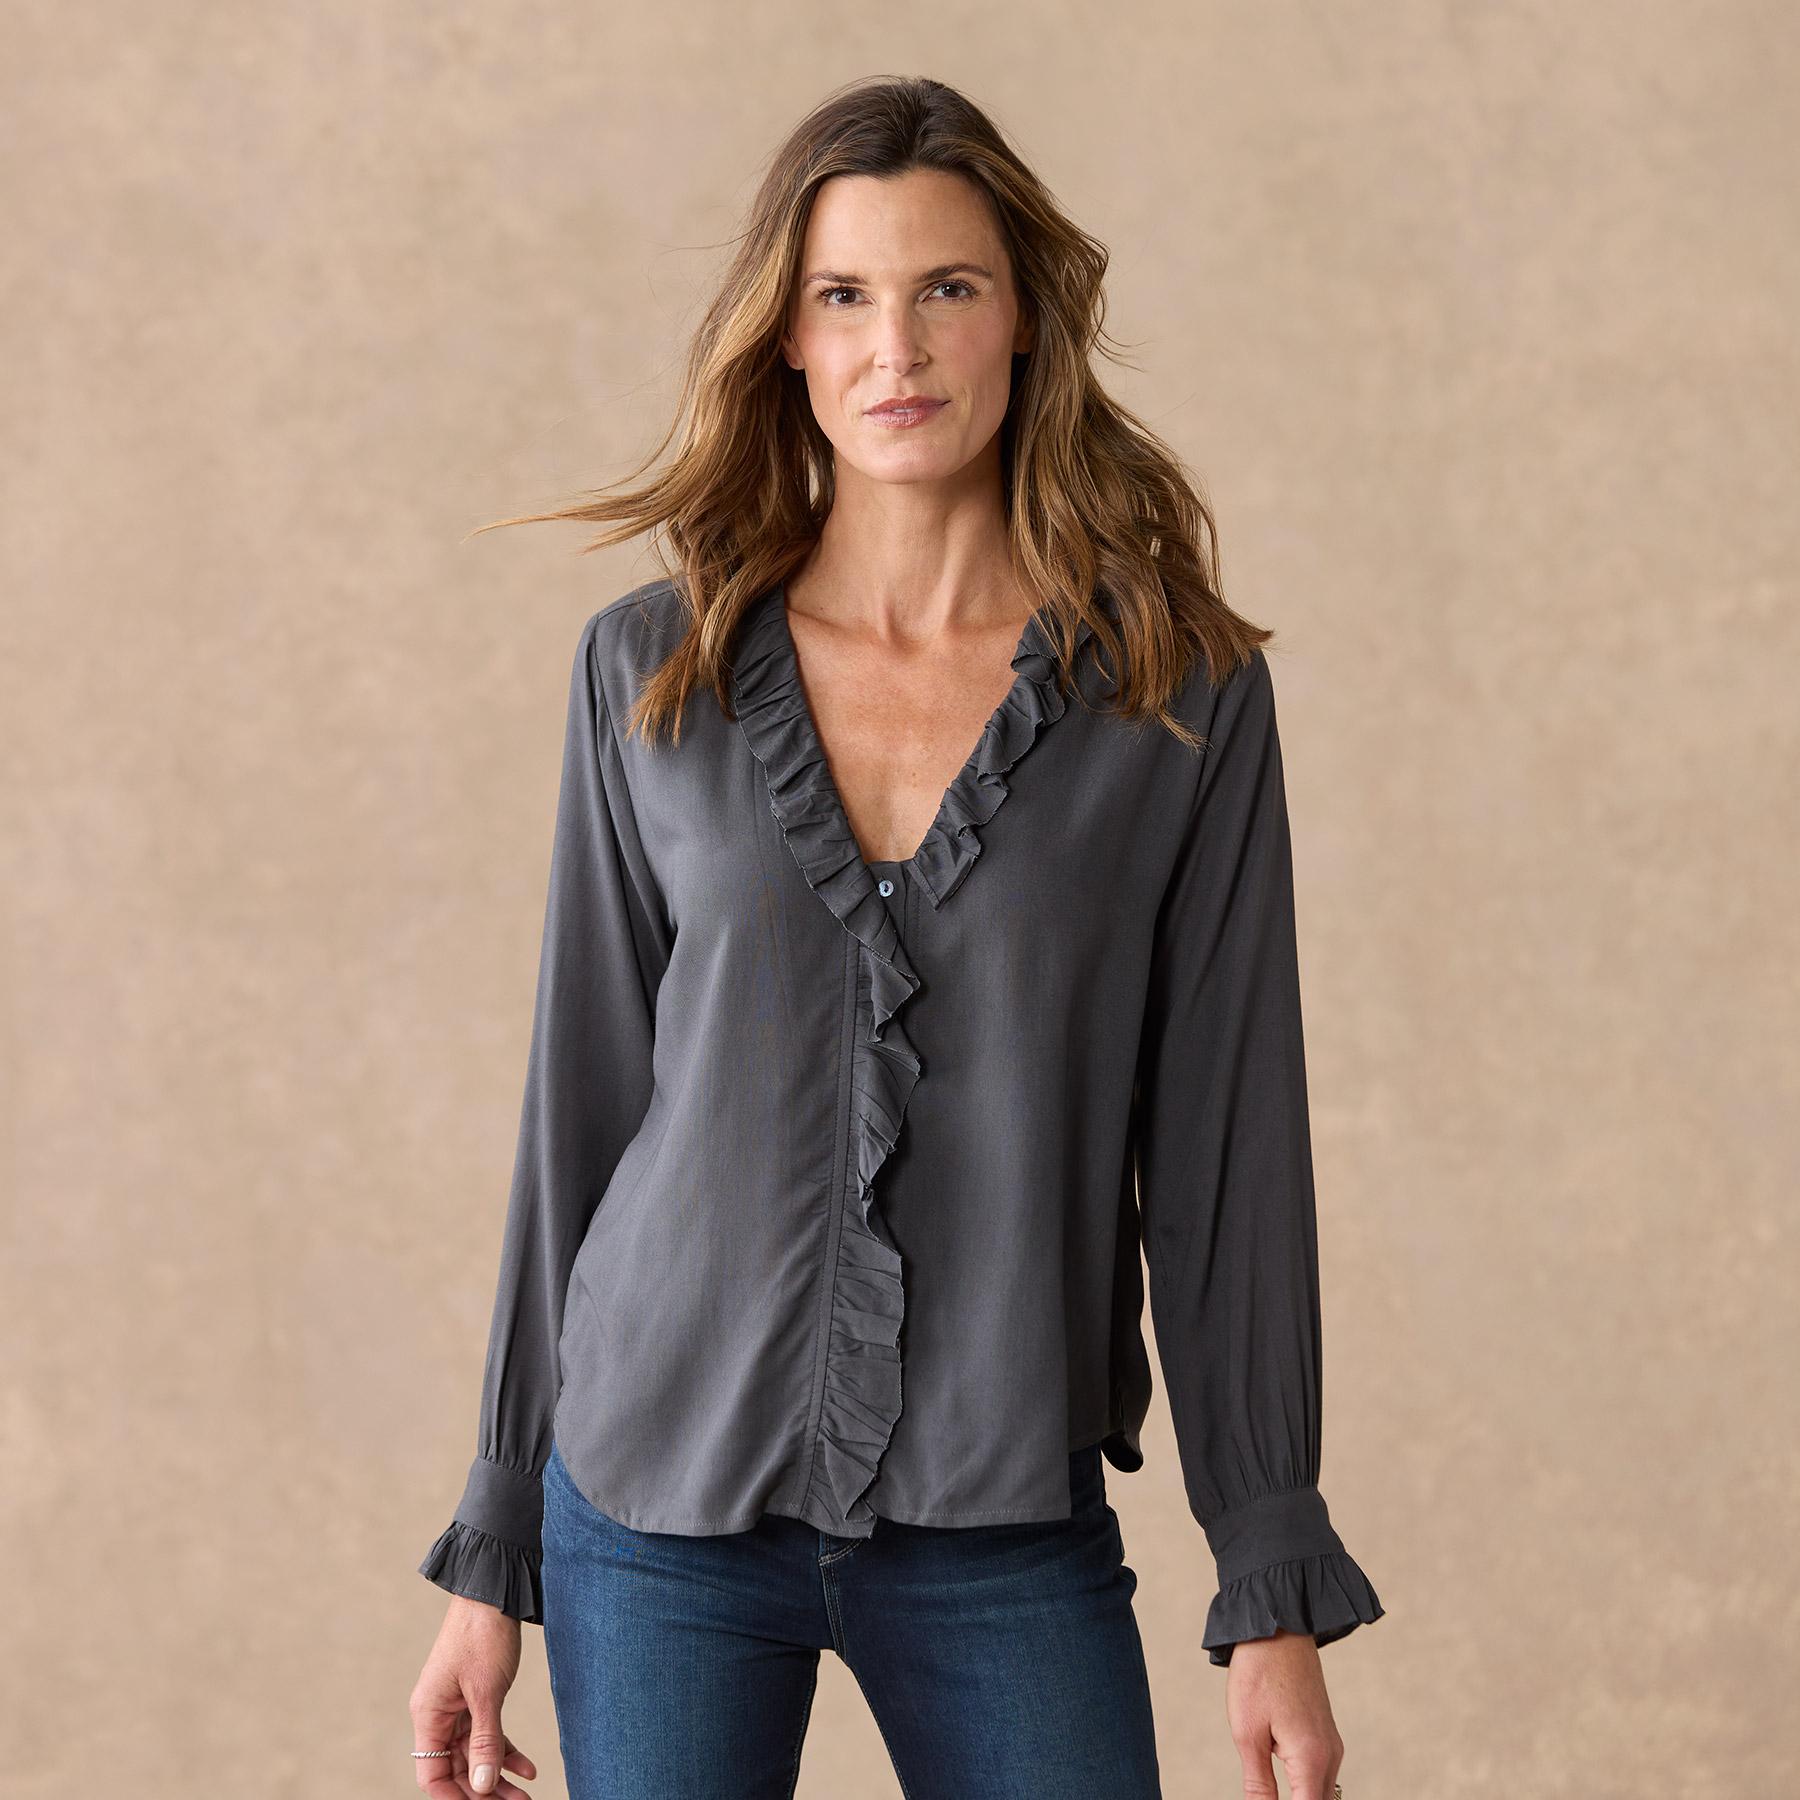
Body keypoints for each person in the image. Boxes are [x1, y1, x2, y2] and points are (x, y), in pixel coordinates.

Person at [408, 74, 1382, 1800]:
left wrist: (1271, 1569)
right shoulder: (652, 672)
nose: (897, 347)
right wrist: (495, 1548)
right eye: (844, 295)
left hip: (1000, 1513)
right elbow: (584, 1111)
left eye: (948, 287)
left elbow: (1227, 1155)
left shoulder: (1177, 697)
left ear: (1025, 320)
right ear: (787, 338)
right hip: (654, 1513)